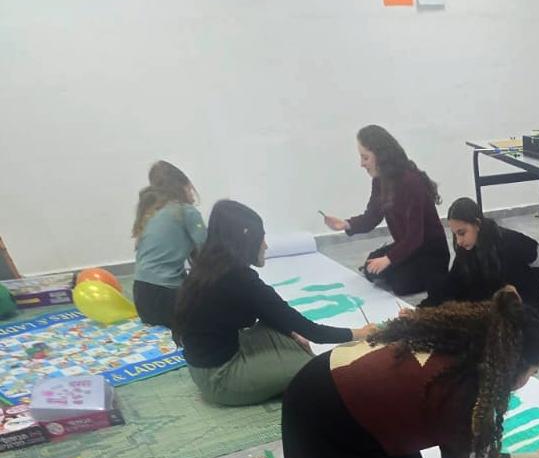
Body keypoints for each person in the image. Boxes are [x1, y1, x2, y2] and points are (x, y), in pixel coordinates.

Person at [281, 292, 539, 458]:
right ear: (511, 365)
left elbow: (455, 442)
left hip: (319, 387)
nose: (528, 381)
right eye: (532, 372)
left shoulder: (459, 340)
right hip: (324, 416)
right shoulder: (463, 390)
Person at [174, 200, 377, 407]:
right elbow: (313, 331)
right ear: (247, 240)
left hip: (205, 363)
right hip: (220, 378)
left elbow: (276, 317)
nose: (266, 245)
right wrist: (361, 333)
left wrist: (292, 333)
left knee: (288, 337)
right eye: (262, 238)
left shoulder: (212, 265)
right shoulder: (241, 280)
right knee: (317, 372)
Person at [321, 126, 449, 300]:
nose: (361, 164)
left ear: (380, 156)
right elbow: (372, 216)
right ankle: (396, 267)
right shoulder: (379, 181)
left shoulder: (411, 182)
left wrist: (389, 259)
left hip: (429, 252)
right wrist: (346, 224)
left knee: (400, 284)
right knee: (371, 267)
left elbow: (415, 236)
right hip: (407, 248)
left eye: (365, 157)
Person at [422, 198, 539, 311]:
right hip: (488, 305)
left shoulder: (512, 243)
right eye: (455, 234)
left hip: (520, 305)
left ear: (477, 224)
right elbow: (453, 283)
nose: (459, 241)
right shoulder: (465, 250)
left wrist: (517, 289)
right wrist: (423, 309)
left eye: (462, 233)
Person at [131, 161, 206, 328]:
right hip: (165, 294)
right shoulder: (187, 211)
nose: (192, 195)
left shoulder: (150, 212)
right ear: (184, 187)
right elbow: (209, 252)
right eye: (190, 189)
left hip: (141, 296)